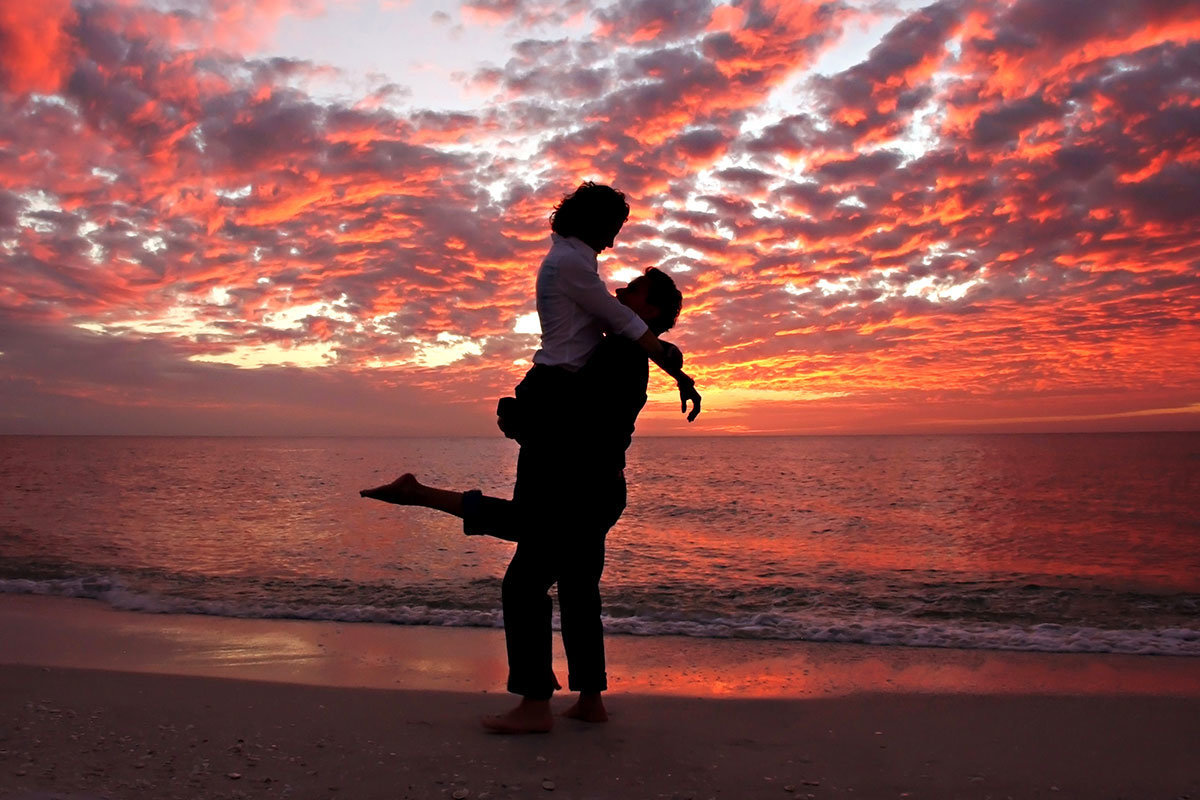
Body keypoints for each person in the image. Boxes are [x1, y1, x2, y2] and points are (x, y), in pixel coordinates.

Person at [361, 268, 686, 733]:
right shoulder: (624, 351)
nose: (618, 291)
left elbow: (577, 422)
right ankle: (590, 699)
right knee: (577, 587)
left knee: (524, 585)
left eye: (632, 290)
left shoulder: (616, 353)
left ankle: (535, 705)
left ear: (649, 310)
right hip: (598, 487)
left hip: (577, 487)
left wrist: (519, 420)